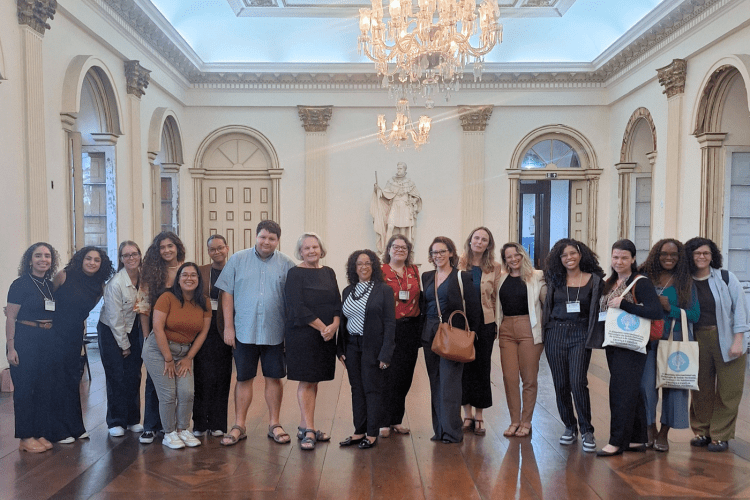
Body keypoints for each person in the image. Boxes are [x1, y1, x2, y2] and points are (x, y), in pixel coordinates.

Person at [215, 220, 296, 446]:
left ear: (278, 240)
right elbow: (227, 294)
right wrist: (229, 327)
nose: (266, 242)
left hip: (274, 332)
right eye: (263, 237)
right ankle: (239, 424)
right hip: (244, 331)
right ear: (256, 236)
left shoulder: (287, 264)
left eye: (271, 238)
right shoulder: (238, 260)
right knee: (243, 378)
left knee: (274, 378)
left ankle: (274, 424)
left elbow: (292, 301)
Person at [594, 239, 662, 457]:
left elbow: (655, 312)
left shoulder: (641, 282)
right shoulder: (609, 281)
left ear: (633, 259)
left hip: (632, 345)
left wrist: (624, 304)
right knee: (631, 391)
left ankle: (617, 441)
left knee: (620, 392)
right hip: (614, 342)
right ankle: (636, 438)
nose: (619, 261)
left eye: (624, 257)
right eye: (615, 257)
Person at [685, 237, 749, 453]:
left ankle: (720, 435)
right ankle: (702, 431)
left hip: (728, 339)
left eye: (706, 253)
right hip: (698, 339)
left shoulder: (725, 278)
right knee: (700, 389)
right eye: (697, 253)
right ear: (690, 256)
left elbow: (740, 310)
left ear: (712, 256)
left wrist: (739, 339)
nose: (702, 257)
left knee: (729, 389)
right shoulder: (685, 281)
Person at [542, 238, 604, 452]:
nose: (569, 258)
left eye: (572, 253)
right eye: (564, 255)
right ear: (559, 259)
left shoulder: (594, 280)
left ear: (580, 254)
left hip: (580, 333)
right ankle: (570, 426)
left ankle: (587, 430)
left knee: (578, 382)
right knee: (560, 384)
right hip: (555, 333)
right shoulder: (554, 280)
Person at [638, 239, 699, 452]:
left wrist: (669, 307)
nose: (669, 258)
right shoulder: (644, 276)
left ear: (680, 257)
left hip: (676, 340)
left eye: (674, 255)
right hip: (648, 340)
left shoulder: (685, 281)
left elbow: (694, 314)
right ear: (657, 254)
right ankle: (649, 428)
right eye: (664, 254)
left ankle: (664, 432)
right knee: (646, 387)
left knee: (674, 388)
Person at [143, 262, 211, 449]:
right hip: (159, 351)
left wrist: (189, 357)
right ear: (178, 279)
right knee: (168, 394)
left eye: (193, 275)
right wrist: (168, 359)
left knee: (187, 392)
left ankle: (183, 429)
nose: (189, 278)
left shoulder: (204, 301)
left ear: (199, 279)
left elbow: (203, 333)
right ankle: (169, 432)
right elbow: (157, 328)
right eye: (185, 275)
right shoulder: (167, 297)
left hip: (184, 353)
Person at [50, 246, 114, 443]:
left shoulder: (99, 286)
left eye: (97, 260)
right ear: (81, 259)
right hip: (53, 333)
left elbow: (83, 313)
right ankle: (57, 430)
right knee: (57, 380)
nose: (92, 262)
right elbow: (46, 301)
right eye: (89, 258)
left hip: (75, 334)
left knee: (72, 380)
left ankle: (76, 427)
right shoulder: (64, 276)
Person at [421, 236, 482, 443]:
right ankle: (439, 430)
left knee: (450, 383)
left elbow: (473, 308)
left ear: (451, 253)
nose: (438, 255)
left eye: (442, 251)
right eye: (434, 252)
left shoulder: (462, 277)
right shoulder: (427, 276)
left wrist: (472, 336)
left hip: (452, 333)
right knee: (435, 382)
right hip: (429, 333)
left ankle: (452, 432)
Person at [284, 233, 340, 450]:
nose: (311, 251)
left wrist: (334, 325)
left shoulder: (328, 272)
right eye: (306, 248)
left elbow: (337, 301)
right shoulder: (295, 273)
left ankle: (304, 425)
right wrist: (322, 327)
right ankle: (309, 430)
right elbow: (296, 307)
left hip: (325, 334)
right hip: (303, 334)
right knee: (306, 380)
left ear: (321, 249)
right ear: (300, 251)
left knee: (314, 381)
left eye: (315, 247)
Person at [338, 249, 396, 449]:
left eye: (367, 263)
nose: (363, 267)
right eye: (359, 264)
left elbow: (390, 323)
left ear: (374, 266)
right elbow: (343, 321)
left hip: (373, 347)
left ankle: (372, 433)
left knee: (372, 389)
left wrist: (385, 353)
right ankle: (359, 431)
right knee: (357, 389)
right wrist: (340, 349)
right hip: (352, 347)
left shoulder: (384, 290)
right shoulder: (348, 291)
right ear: (354, 268)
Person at [5, 243, 60, 452]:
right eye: (38, 256)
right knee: (25, 391)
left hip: (47, 339)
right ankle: (25, 437)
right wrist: (11, 347)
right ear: (30, 260)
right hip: (25, 339)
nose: (43, 259)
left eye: (47, 256)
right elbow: (10, 317)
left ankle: (38, 432)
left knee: (44, 389)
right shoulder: (20, 284)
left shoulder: (48, 284)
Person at [135, 231, 186, 444]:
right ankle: (150, 426)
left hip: (180, 335)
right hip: (156, 335)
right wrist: (147, 337)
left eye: (170, 246)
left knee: (177, 383)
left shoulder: (185, 270)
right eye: (162, 247)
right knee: (155, 381)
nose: (166, 250)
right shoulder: (150, 273)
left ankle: (171, 427)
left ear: (177, 247)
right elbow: (143, 307)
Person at [496, 243, 546, 439]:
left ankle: (526, 421)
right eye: (509, 256)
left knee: (529, 378)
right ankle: (514, 421)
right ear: (505, 260)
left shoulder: (537, 276)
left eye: (517, 254)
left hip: (529, 329)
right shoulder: (500, 278)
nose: (513, 259)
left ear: (523, 255)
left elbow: (546, 301)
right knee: (509, 378)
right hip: (506, 329)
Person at [457, 227, 502, 436]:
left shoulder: (495, 267)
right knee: (464, 367)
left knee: (482, 368)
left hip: (485, 323)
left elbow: (495, 299)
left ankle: (480, 415)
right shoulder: (458, 263)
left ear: (488, 244)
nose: (479, 242)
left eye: (484, 239)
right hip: (463, 323)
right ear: (470, 240)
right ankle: (466, 414)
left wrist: (496, 325)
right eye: (476, 237)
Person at [98, 241, 145, 437]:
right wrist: (124, 345)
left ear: (139, 256)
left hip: (135, 328)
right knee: (116, 376)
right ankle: (116, 421)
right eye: (126, 255)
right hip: (111, 331)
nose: (131, 258)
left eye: (134, 254)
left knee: (134, 375)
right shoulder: (115, 284)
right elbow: (115, 319)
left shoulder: (145, 279)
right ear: (121, 259)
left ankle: (133, 419)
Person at [380, 234, 421, 436]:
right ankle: (383, 421)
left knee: (405, 375)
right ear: (388, 250)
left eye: (404, 248)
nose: (399, 250)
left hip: (410, 329)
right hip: (388, 328)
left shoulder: (413, 271)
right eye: (395, 247)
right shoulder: (380, 271)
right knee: (388, 374)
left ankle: (396, 419)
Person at [192, 234, 233, 438]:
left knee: (222, 376)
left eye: (220, 248)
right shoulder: (201, 272)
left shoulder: (234, 269)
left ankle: (218, 423)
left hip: (226, 327)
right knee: (201, 375)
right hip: (204, 327)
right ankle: (199, 423)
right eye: (212, 249)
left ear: (226, 248)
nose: (216, 252)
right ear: (208, 252)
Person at [371, 162, 422, 254]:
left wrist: (413, 201)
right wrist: (378, 190)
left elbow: (416, 196)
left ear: (405, 170)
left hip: (405, 208)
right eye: (398, 168)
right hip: (395, 206)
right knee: (390, 226)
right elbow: (385, 194)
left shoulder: (410, 183)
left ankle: (403, 252)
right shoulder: (391, 181)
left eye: (400, 168)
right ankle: (386, 251)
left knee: (403, 232)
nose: (398, 170)